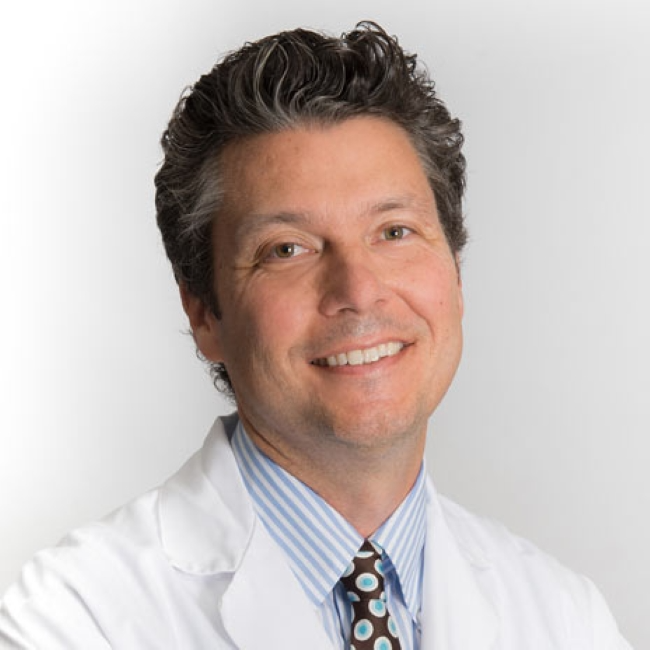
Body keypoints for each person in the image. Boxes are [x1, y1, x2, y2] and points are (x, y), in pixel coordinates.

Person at [0, 21, 633, 650]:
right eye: (287, 249)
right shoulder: (72, 620)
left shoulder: (564, 618)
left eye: (394, 232)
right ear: (204, 313)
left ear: (456, 272)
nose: (358, 290)